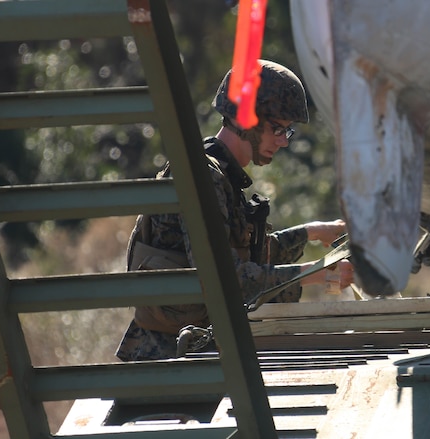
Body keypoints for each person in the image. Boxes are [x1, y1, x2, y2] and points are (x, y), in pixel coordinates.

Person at [116, 59, 353, 361]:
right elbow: (230, 281)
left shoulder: (222, 176)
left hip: (191, 348)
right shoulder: (203, 177)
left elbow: (250, 256)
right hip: (169, 356)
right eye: (277, 129)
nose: (283, 142)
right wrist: (319, 273)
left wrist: (311, 233)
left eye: (288, 131)